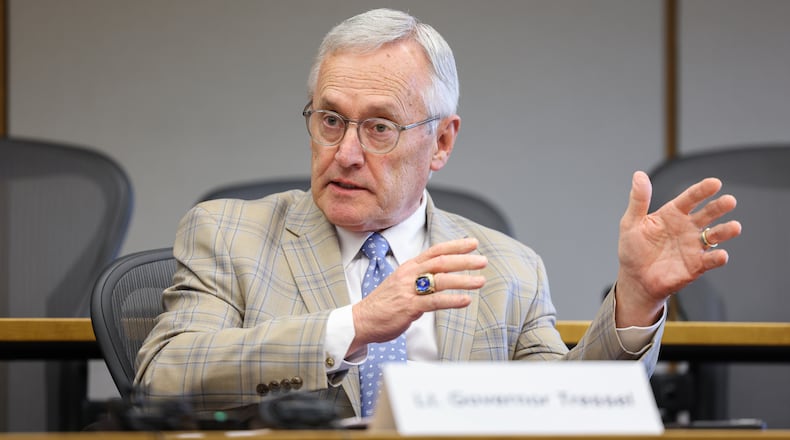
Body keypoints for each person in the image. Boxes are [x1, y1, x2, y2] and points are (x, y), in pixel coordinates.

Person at [135, 8, 741, 420]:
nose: (345, 153)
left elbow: (565, 407)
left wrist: (636, 301)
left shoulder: (509, 269)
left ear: (442, 142)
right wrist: (355, 324)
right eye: (331, 120)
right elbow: (164, 376)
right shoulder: (228, 234)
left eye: (379, 127)